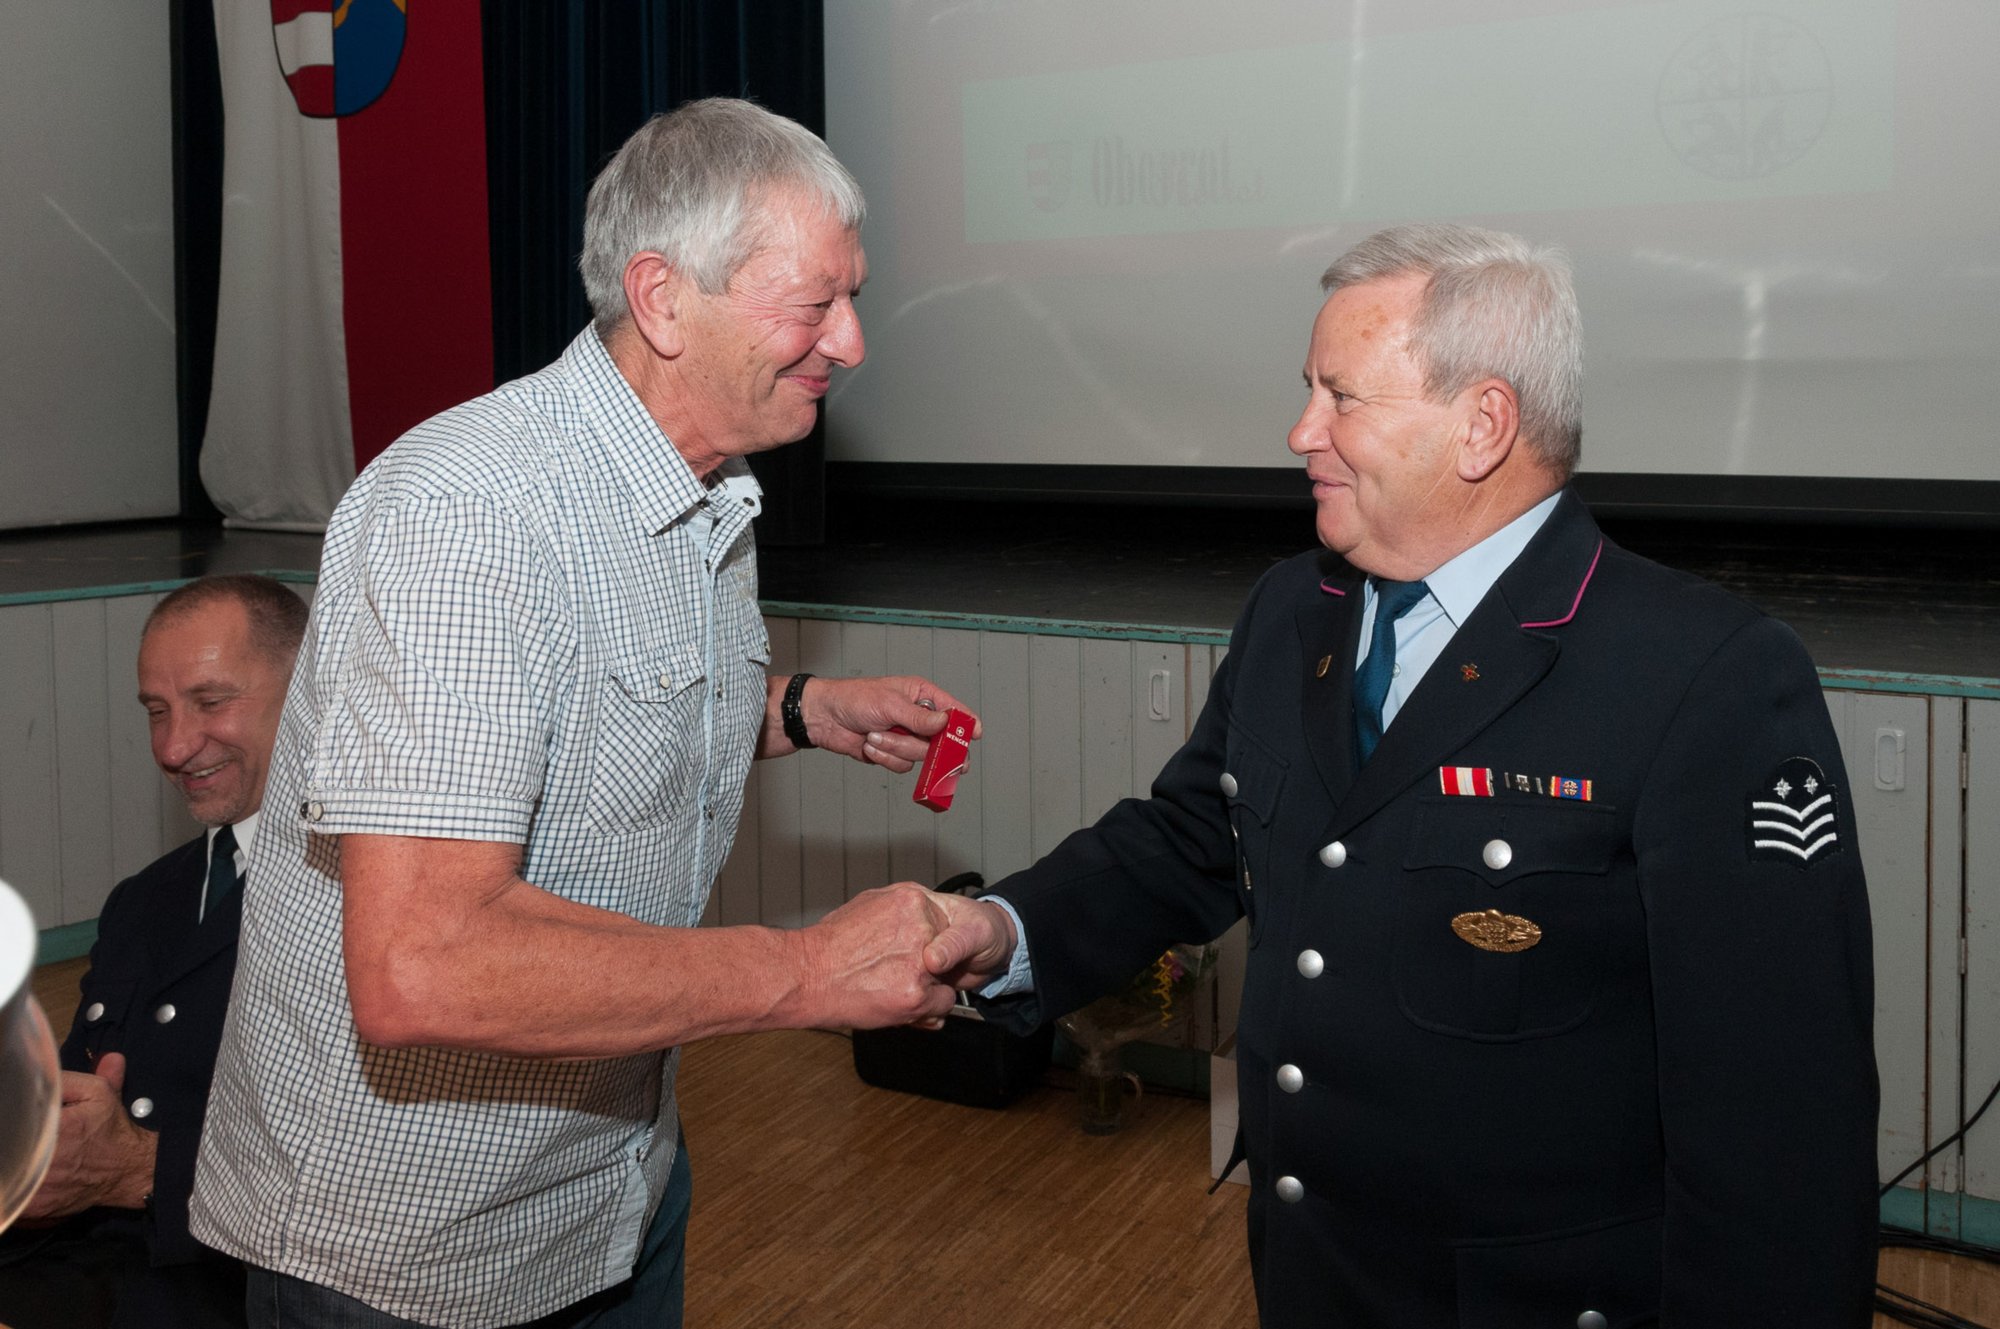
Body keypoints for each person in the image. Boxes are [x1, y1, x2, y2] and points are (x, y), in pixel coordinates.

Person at [936, 224, 1880, 1326]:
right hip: (1314, 1282)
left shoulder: (1701, 677)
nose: (1300, 433)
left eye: (1342, 398)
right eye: (1306, 392)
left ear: (1482, 424)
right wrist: (1002, 932)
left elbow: (1777, 1129)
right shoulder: (1295, 610)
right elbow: (1193, 839)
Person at [188, 99, 986, 1329]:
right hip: (410, 1250)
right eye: (814, 302)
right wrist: (804, 971)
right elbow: (425, 965)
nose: (853, 342)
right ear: (662, 299)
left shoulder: (703, 490)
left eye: (853, 297)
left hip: (608, 1193)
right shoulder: (472, 516)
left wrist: (802, 708)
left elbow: (591, 711)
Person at [0, 574, 307, 1329]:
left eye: (211, 701)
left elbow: (376, 1179)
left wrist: (140, 1167)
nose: (172, 747)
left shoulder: (358, 900)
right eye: (156, 711)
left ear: (310, 690)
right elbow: (80, 1106)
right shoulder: (145, 897)